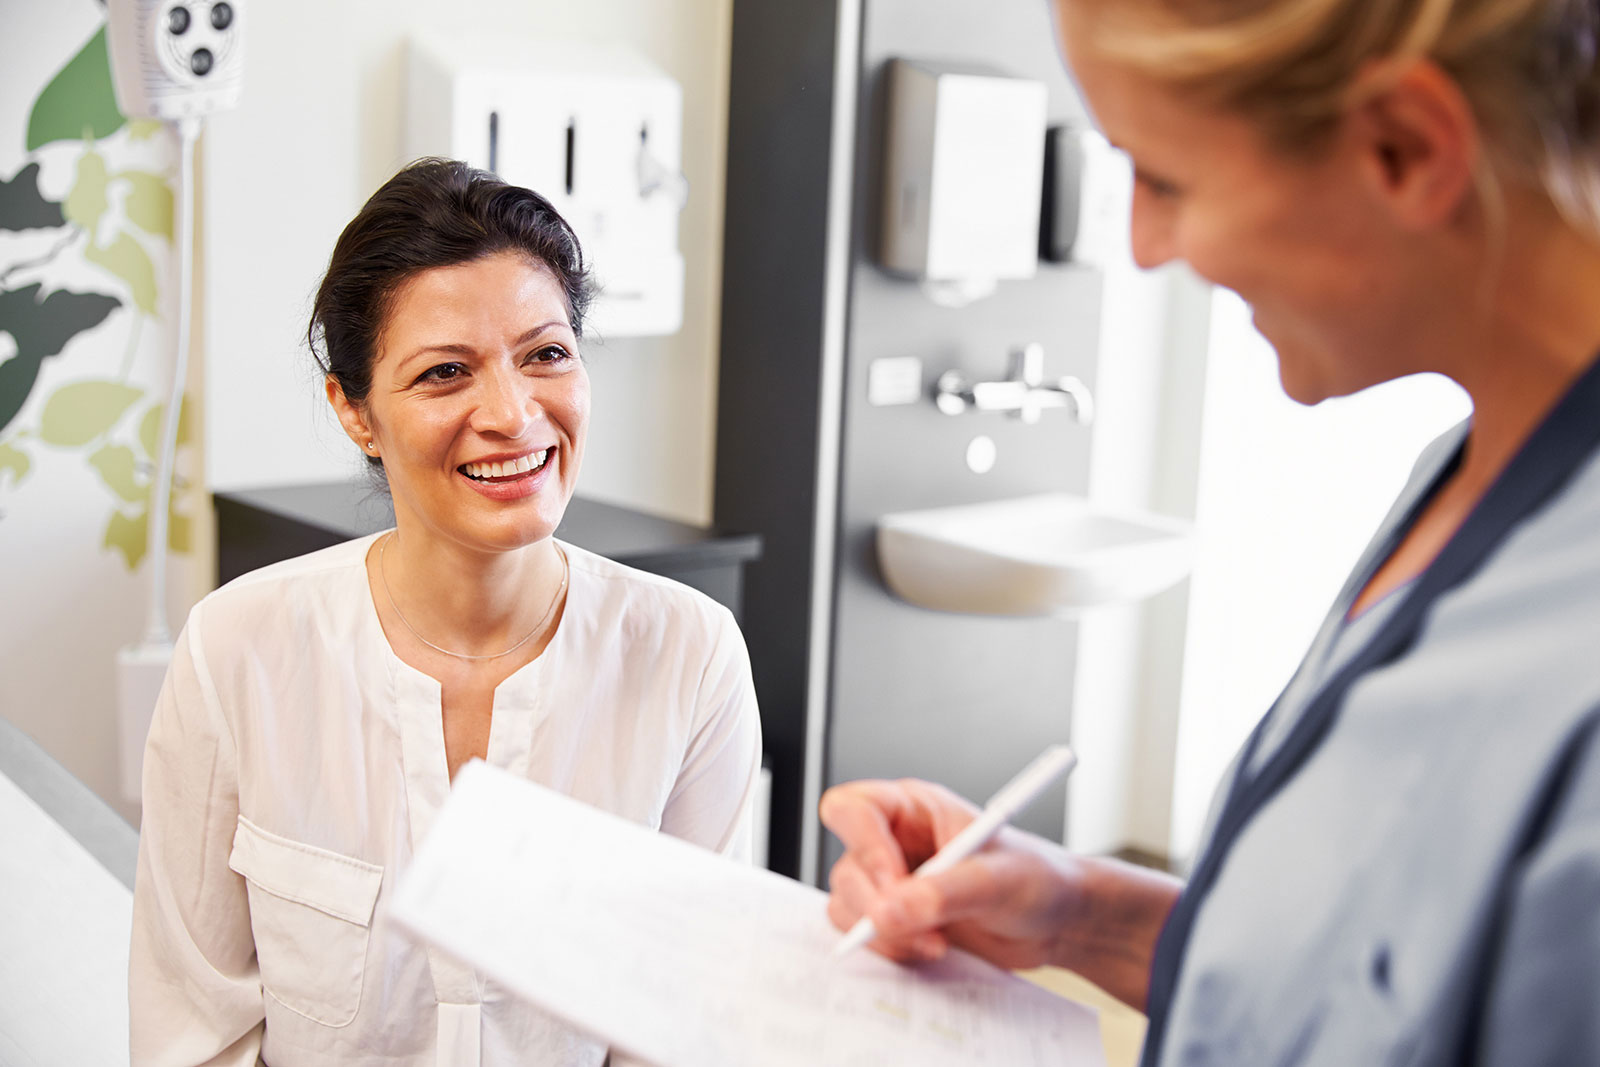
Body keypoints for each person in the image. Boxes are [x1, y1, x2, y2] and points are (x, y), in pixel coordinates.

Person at [823, 0, 1600, 1063]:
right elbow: (1370, 987)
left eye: (1167, 181)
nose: (1141, 248)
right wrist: (1073, 912)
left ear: (1406, 148)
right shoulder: (1466, 477)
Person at [129, 159, 763, 1066]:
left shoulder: (688, 656)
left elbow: (689, 1026)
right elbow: (191, 1030)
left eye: (546, 353)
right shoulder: (238, 652)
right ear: (353, 410)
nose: (511, 413)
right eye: (444, 372)